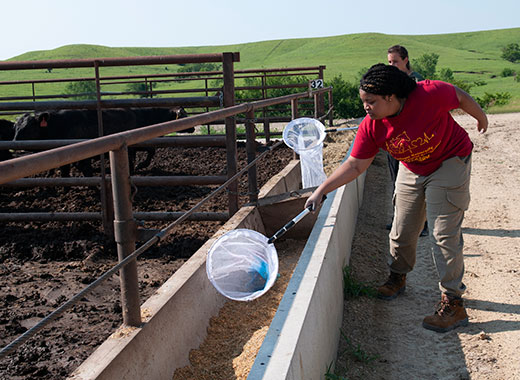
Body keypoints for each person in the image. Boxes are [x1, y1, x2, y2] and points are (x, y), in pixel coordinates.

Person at [305, 64, 488, 333]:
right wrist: (322, 190)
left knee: (442, 233)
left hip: (450, 159)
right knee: (402, 226)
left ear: (391, 97)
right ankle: (398, 276)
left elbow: (459, 96)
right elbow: (355, 165)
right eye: (363, 101)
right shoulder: (372, 126)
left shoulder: (429, 94)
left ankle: (453, 302)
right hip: (413, 166)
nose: (365, 107)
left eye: (371, 102)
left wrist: (480, 116)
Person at [386, 44, 428, 237]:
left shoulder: (417, 82)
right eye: (389, 62)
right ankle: (400, 221)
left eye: (395, 61)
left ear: (406, 60)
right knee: (397, 182)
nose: (392, 65)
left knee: (418, 182)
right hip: (395, 141)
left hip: (415, 141)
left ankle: (423, 224)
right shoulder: (391, 81)